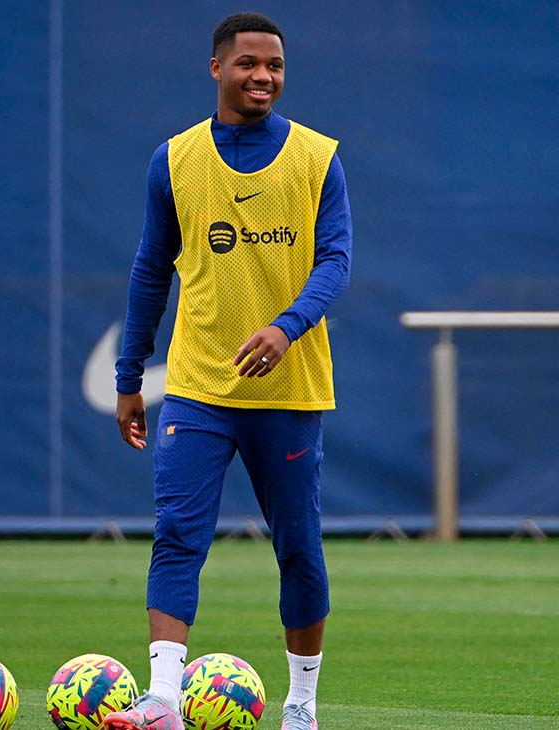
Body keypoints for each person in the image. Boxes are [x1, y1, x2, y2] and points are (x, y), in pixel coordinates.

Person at [102, 12, 352, 730]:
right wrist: (130, 377)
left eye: (273, 65)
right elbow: (151, 271)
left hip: (290, 387)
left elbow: (335, 260)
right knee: (178, 533)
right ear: (216, 69)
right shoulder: (174, 160)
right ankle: (162, 701)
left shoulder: (316, 158)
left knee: (298, 545)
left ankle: (301, 705)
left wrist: (286, 326)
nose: (263, 76)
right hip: (198, 386)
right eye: (248, 64)